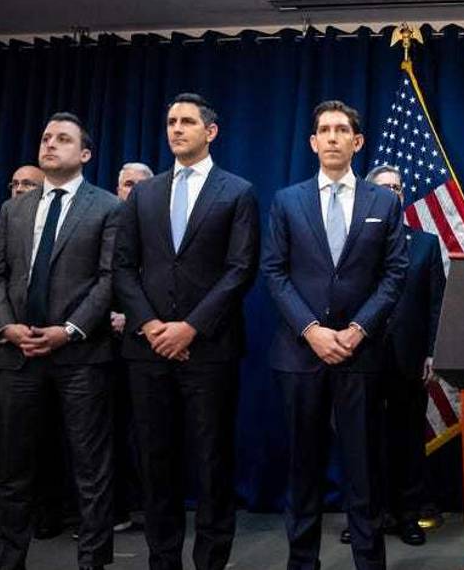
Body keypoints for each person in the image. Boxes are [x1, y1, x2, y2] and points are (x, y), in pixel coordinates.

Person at [114, 94, 260, 570]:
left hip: (210, 350)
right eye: (171, 121)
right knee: (156, 465)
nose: (176, 129)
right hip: (148, 349)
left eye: (187, 122)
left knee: (212, 463)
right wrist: (154, 325)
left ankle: (211, 561)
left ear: (210, 131)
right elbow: (122, 268)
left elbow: (241, 270)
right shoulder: (147, 193)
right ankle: (163, 560)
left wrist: (190, 327)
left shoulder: (237, 191)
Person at [262, 100, 407, 570]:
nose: (331, 137)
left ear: (357, 142)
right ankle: (301, 562)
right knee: (303, 469)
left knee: (362, 472)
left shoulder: (383, 201)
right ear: (312, 142)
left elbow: (394, 274)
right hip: (301, 356)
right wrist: (312, 331)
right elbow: (275, 272)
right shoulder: (287, 200)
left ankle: (370, 562)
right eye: (323, 130)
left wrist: (358, 330)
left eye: (341, 130)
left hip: (360, 355)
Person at [0, 112, 120, 570]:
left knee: (90, 472)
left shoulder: (107, 207)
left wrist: (69, 330)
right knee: (13, 473)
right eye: (45, 137)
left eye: (62, 139)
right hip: (17, 354)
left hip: (80, 355)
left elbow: (109, 279)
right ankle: (8, 562)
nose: (50, 145)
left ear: (84, 154)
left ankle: (92, 562)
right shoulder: (13, 208)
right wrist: (5, 326)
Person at [0, 162, 62, 541]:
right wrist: (3, 325)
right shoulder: (4, 223)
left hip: (53, 343)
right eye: (15, 183)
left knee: (50, 434)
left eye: (29, 184)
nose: (20, 190)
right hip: (0, 344)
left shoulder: (66, 220)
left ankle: (48, 508)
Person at [347, 163, 446, 547]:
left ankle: (407, 515)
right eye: (384, 187)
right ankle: (368, 518)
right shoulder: (352, 240)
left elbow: (436, 302)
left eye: (398, 187)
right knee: (362, 440)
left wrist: (433, 352)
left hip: (408, 357)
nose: (393, 192)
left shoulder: (424, 243)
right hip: (361, 356)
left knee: (407, 440)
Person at [106, 161, 153, 537]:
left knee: (148, 433)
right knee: (108, 433)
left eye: (140, 184)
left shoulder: (160, 225)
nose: (132, 190)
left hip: (151, 341)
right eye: (126, 184)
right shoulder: (105, 220)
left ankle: (150, 507)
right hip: (101, 346)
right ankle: (115, 508)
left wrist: (136, 318)